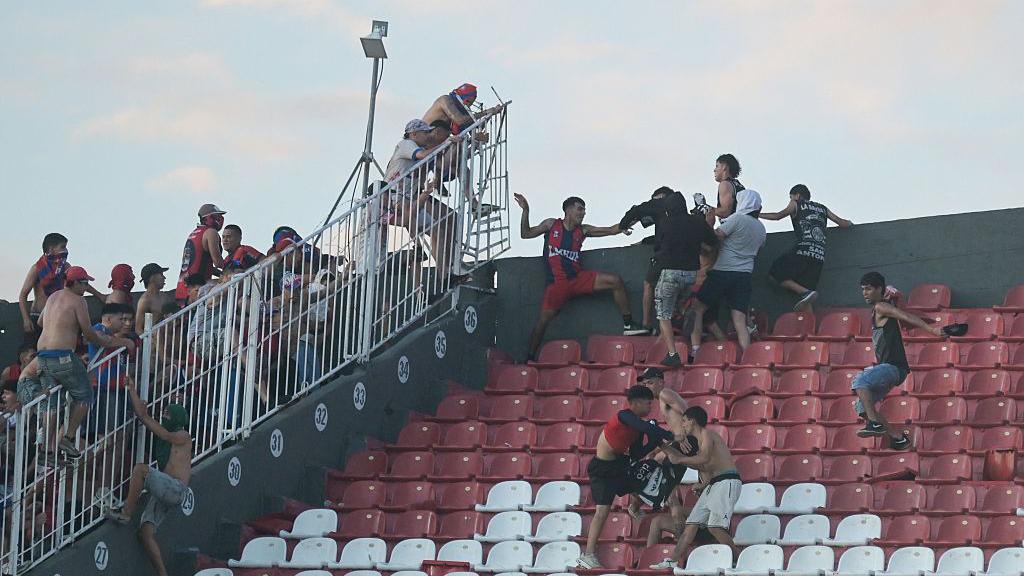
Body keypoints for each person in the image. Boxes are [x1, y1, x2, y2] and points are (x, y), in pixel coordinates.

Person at [16, 267, 134, 460]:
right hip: (62, 356)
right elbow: (90, 335)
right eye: (85, 283)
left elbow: (40, 324)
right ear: (75, 283)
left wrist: (61, 325)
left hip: (43, 357)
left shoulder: (53, 297)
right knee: (86, 395)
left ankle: (47, 450)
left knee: (52, 404)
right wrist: (122, 342)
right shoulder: (78, 301)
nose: (87, 288)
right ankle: (68, 438)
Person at [578, 384, 674, 569]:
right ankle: (588, 554)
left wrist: (653, 443)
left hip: (620, 465)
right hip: (603, 470)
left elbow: (637, 453)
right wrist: (670, 435)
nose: (650, 408)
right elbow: (644, 426)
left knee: (644, 478)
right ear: (635, 403)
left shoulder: (638, 427)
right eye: (648, 404)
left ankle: (633, 506)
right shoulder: (624, 416)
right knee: (602, 512)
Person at [620, 187, 718, 366]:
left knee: (663, 315)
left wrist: (623, 224)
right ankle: (684, 314)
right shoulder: (696, 222)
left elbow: (641, 215)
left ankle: (672, 354)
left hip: (669, 273)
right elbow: (713, 242)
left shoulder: (664, 222)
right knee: (688, 306)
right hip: (691, 275)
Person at [107, 379, 191, 576]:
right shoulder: (168, 432)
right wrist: (131, 388)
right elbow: (143, 417)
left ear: (177, 417)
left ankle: (126, 513)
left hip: (176, 488)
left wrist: (146, 417)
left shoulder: (183, 435)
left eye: (168, 414)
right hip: (166, 489)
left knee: (141, 470)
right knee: (145, 533)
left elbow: (164, 435)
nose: (164, 416)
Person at [853, 272, 944, 449]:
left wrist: (932, 330)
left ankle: (875, 424)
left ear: (879, 289)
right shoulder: (880, 308)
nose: (865, 293)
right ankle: (898, 438)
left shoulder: (881, 307)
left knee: (860, 380)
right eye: (863, 289)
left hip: (893, 367)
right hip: (887, 369)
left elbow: (906, 317)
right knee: (862, 408)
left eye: (869, 289)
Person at [649, 406, 742, 569]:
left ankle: (739, 558)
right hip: (715, 483)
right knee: (691, 525)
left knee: (715, 527)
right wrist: (663, 446)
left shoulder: (707, 434)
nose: (682, 425)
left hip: (727, 481)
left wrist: (680, 460)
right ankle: (673, 560)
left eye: (684, 421)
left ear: (692, 421)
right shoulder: (700, 442)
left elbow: (703, 458)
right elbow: (704, 466)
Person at [690, 189, 767, 357]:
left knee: (698, 308)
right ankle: (747, 356)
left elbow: (716, 236)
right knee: (739, 320)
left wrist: (706, 220)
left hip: (722, 272)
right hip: (744, 275)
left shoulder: (737, 219)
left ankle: (695, 349)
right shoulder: (761, 229)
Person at [760, 184, 853, 311]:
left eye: (791, 197)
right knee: (806, 299)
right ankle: (811, 328)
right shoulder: (822, 208)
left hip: (803, 250)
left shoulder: (796, 203)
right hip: (819, 255)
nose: (790, 200)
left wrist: (757, 214)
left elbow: (778, 216)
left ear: (797, 195)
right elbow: (841, 222)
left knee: (775, 274)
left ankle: (804, 291)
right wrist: (850, 223)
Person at [18, 233, 104, 334]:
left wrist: (100, 296)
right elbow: (23, 295)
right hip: (38, 316)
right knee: (32, 349)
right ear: (51, 249)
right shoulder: (37, 268)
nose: (66, 250)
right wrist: (26, 319)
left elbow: (80, 283)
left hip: (58, 316)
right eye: (62, 247)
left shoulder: (66, 267)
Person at [174, 204, 227, 303]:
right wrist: (233, 267)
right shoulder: (211, 232)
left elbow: (199, 263)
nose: (220, 219)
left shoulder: (194, 233)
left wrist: (220, 274)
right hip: (197, 289)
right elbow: (218, 263)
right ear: (209, 218)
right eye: (217, 216)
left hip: (183, 289)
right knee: (230, 283)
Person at [710, 154, 745, 224]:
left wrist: (705, 208)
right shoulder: (739, 186)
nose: (714, 170)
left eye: (717, 166)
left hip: (734, 230)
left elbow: (725, 212)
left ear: (724, 167)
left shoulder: (725, 184)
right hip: (744, 228)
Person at [135, 263, 170, 334]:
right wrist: (150, 342)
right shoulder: (145, 300)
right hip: (154, 341)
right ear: (152, 278)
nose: (164, 278)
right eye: (161, 275)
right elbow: (138, 328)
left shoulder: (165, 297)